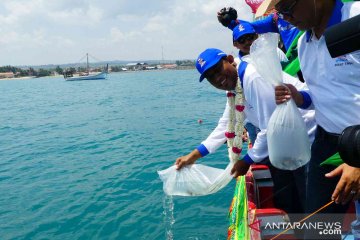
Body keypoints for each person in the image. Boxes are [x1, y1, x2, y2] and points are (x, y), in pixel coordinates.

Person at [262, 0, 360, 238]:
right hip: (327, 143)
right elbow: (325, 94)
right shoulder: (304, 44)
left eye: (288, 7)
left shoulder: (355, 17)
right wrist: (300, 97)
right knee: (317, 227)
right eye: (279, 11)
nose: (284, 17)